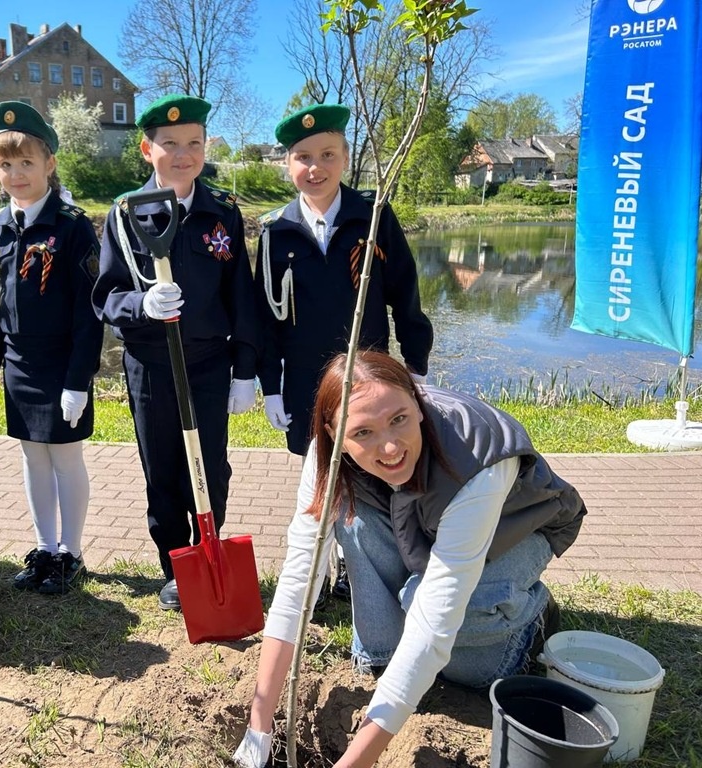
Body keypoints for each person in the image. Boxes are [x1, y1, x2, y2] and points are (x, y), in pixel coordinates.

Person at [233, 350, 585, 768]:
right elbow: (298, 582)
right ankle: (386, 653)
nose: (389, 447)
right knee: (356, 525)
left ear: (417, 403)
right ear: (334, 432)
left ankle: (532, 618)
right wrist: (259, 728)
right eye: (362, 432)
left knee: (457, 652)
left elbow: (434, 623)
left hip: (515, 528)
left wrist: (354, 763)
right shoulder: (326, 455)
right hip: (418, 519)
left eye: (399, 419)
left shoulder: (480, 458)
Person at [254, 103, 434, 600]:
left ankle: (372, 566)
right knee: (318, 475)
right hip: (305, 380)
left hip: (367, 377)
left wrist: (415, 365)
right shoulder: (274, 231)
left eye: (328, 154)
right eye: (303, 157)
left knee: (374, 468)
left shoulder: (372, 217)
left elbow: (406, 294)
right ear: (287, 164)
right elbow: (265, 316)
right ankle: (324, 566)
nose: (316, 167)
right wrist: (270, 385)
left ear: (346, 157)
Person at [91, 94, 260, 611]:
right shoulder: (126, 215)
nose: (183, 154)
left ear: (205, 147)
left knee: (211, 467)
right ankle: (175, 565)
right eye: (170, 144)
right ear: (148, 150)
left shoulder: (222, 214)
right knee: (162, 468)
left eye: (194, 143)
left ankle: (210, 549)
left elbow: (241, 295)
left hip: (208, 363)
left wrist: (245, 371)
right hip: (151, 366)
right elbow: (105, 297)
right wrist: (141, 304)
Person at [0, 101, 104, 595]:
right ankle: (45, 548)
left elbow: (89, 311)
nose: (16, 173)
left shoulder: (72, 226)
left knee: (65, 459)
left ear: (49, 163)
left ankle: (72, 552)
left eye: (27, 161)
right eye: (6, 164)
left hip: (62, 361)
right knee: (32, 459)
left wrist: (78, 381)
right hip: (19, 364)